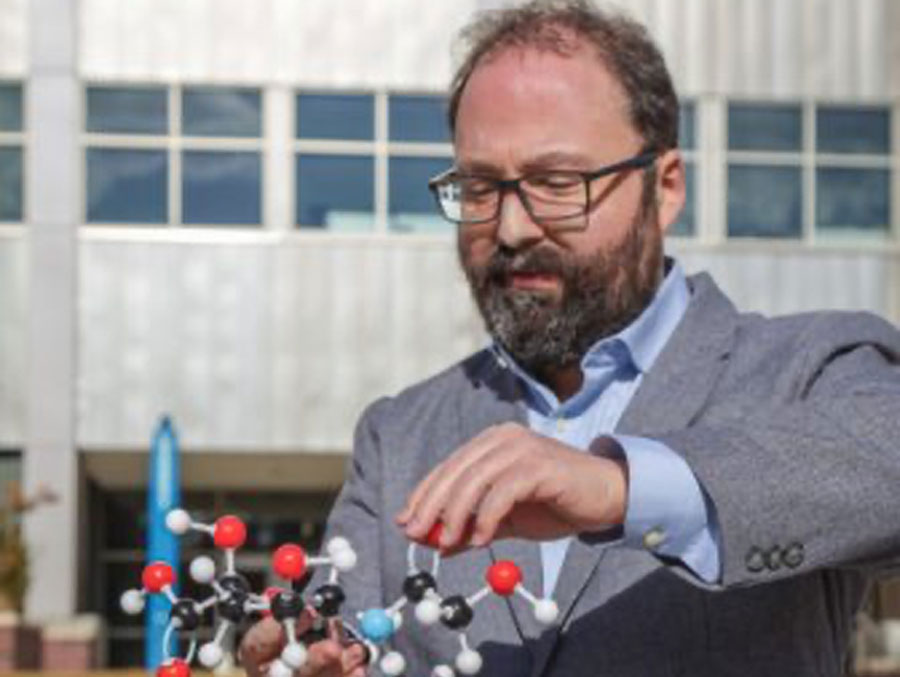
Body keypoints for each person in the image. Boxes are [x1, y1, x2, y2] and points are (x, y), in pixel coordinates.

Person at [241, 1, 900, 675]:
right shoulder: (398, 437)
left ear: (664, 187)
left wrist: (622, 483)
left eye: (557, 183)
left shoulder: (808, 369)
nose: (512, 228)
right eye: (479, 186)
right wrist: (315, 656)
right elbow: (347, 631)